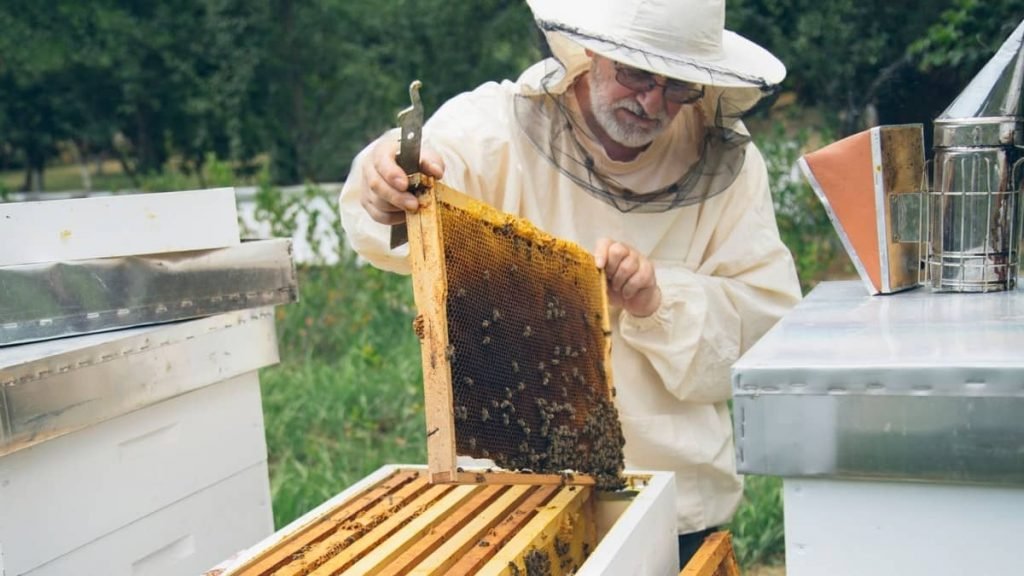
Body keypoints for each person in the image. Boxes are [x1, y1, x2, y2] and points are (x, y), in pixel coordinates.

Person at [339, 0, 801, 568]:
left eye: (678, 85)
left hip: (676, 502)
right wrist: (385, 183)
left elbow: (769, 330)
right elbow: (410, 199)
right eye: (635, 73)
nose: (652, 102)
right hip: (512, 502)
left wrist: (660, 300)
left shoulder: (729, 163)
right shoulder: (493, 127)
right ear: (592, 50)